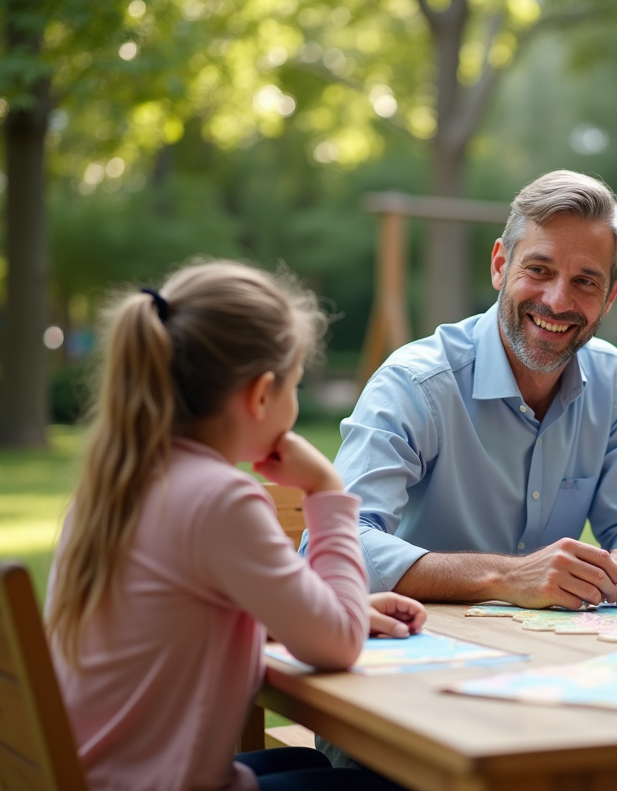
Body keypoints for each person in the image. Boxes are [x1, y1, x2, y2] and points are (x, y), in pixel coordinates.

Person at [45, 261, 424, 791]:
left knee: (315, 768)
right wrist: (326, 492)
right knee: (385, 783)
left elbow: (180, 612)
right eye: (294, 385)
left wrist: (340, 609)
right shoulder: (221, 500)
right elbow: (335, 647)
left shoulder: (119, 480)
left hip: (105, 777)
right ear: (261, 394)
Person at [300, 170, 617, 609]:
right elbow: (332, 550)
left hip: (551, 654)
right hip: (422, 649)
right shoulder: (415, 383)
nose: (558, 301)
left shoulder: (612, 379)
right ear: (500, 265)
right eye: (539, 269)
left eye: (585, 281)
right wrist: (505, 577)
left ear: (611, 294)